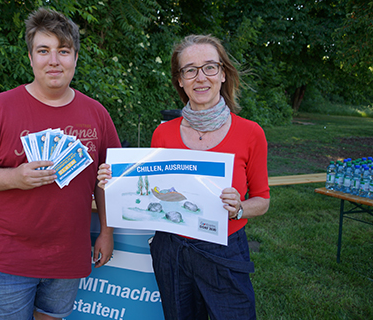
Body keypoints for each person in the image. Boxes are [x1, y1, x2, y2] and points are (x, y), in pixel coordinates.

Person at [0, 8, 121, 320]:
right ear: (31, 58)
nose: (54, 60)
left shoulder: (97, 113)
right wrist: (14, 177)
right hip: (7, 256)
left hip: (67, 256)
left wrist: (107, 232)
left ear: (75, 58)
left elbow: (108, 179)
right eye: (43, 51)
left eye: (63, 51)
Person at [97, 34, 270, 319]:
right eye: (190, 69)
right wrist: (115, 179)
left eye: (209, 67)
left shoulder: (251, 133)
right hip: (172, 250)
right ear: (180, 80)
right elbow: (151, 189)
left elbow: (262, 200)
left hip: (224, 251)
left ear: (223, 74)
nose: (200, 77)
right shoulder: (162, 133)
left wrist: (239, 207)